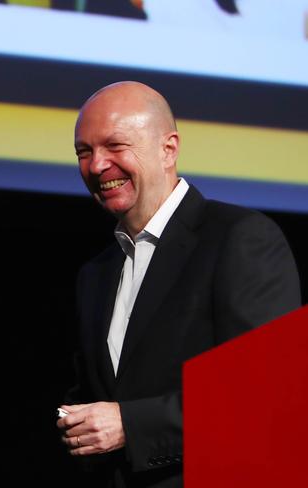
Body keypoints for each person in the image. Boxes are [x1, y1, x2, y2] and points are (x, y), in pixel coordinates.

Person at [57, 81, 301, 487]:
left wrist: (128, 426)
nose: (97, 165)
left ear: (168, 149)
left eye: (115, 146)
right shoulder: (96, 273)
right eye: (84, 152)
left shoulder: (239, 238)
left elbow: (270, 395)